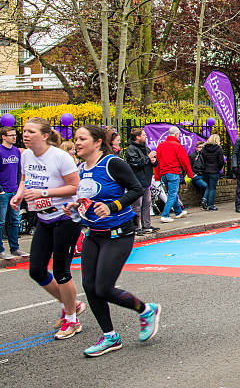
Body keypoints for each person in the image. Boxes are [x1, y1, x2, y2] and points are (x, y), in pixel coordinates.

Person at [64, 124, 160, 357]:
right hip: (93, 234)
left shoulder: (112, 163)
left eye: (82, 139)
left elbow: (137, 189)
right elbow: (88, 197)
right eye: (76, 139)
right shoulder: (82, 168)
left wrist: (112, 206)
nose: (77, 143)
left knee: (104, 288)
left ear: (97, 142)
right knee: (89, 287)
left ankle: (146, 310)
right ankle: (110, 336)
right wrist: (76, 206)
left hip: (119, 233)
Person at [9, 117, 87, 339]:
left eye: (31, 131)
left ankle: (72, 320)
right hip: (44, 219)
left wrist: (44, 193)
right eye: (24, 131)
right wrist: (19, 195)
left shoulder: (60, 157)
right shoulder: (26, 155)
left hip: (65, 217)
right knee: (36, 270)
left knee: (62, 271)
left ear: (44, 136)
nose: (25, 135)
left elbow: (74, 187)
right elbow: (26, 179)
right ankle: (72, 304)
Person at [155, 126, 194, 223]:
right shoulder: (177, 146)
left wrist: (157, 176)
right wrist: (190, 174)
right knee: (172, 195)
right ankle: (165, 215)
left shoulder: (160, 145)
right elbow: (185, 161)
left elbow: (156, 162)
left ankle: (178, 212)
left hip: (163, 173)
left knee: (172, 193)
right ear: (176, 134)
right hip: (173, 172)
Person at [125, 128, 159, 235]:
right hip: (136, 181)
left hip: (146, 180)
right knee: (137, 205)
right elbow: (135, 163)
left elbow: (151, 162)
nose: (146, 137)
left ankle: (146, 225)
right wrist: (148, 158)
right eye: (143, 135)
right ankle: (136, 227)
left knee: (147, 204)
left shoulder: (145, 148)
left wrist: (154, 161)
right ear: (137, 137)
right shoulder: (131, 149)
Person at [0, 127, 26, 259]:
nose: (14, 137)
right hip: (3, 193)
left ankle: (15, 248)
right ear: (3, 137)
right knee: (1, 222)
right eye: (11, 135)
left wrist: (18, 188)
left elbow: (19, 171)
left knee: (15, 221)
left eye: (15, 135)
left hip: (14, 190)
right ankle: (1, 250)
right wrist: (1, 189)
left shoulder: (16, 151)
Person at [199, 134, 225, 211]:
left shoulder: (204, 148)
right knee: (212, 188)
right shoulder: (218, 149)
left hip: (206, 170)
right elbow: (221, 161)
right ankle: (210, 205)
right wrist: (218, 169)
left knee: (207, 186)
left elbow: (202, 159)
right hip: (214, 171)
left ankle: (204, 199)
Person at [189, 141, 209, 209]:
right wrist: (193, 175)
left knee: (203, 188)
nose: (201, 148)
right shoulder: (192, 156)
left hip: (204, 174)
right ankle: (204, 200)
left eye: (203, 147)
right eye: (200, 147)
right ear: (196, 148)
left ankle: (204, 203)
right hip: (197, 176)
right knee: (206, 186)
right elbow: (188, 167)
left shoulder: (205, 155)